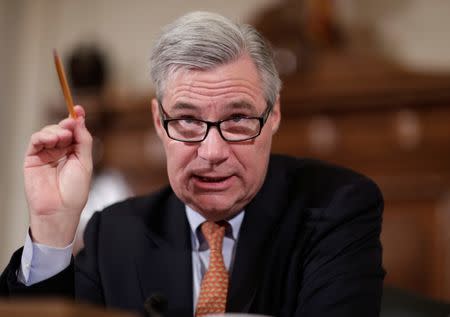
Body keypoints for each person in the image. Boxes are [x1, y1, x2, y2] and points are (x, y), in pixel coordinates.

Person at [0, 11, 385, 317]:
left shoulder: (337, 209)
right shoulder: (115, 234)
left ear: (273, 116)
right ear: (158, 122)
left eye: (238, 119)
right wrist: (53, 229)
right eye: (187, 120)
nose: (212, 151)